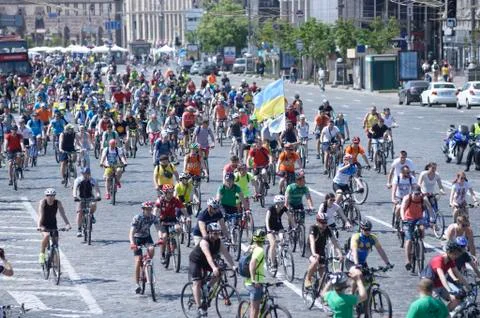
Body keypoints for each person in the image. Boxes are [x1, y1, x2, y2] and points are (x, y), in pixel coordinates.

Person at [189, 223, 235, 318]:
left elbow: (226, 254)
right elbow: (209, 257)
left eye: (218, 233)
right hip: (196, 261)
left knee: (221, 271)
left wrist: (234, 266)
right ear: (209, 233)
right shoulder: (204, 242)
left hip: (206, 262)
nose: (217, 235)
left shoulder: (219, 241)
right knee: (197, 283)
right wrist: (214, 268)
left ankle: (209, 287)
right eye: (214, 233)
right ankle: (200, 307)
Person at [421, 241, 468, 310]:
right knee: (439, 307)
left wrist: (469, 287)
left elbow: (459, 274)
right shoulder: (438, 260)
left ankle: (446, 314)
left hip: (439, 285)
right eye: (455, 254)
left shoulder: (450, 261)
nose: (456, 256)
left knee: (456, 299)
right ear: (449, 252)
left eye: (457, 254)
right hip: (429, 286)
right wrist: (449, 290)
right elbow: (442, 277)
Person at [129, 201, 161, 294]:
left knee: (151, 249)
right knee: (138, 260)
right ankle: (137, 284)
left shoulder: (153, 217)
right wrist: (132, 243)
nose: (149, 211)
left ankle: (147, 264)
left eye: (150, 209)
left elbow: (158, 228)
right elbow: (131, 232)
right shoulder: (137, 218)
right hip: (137, 238)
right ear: (143, 210)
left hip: (147, 237)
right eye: (147, 209)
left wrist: (160, 238)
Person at [304, 212, 343, 288]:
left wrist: (339, 253)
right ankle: (307, 279)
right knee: (315, 261)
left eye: (325, 222)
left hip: (321, 251)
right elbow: (312, 242)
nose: (324, 224)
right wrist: (314, 253)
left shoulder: (327, 229)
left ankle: (321, 292)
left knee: (324, 276)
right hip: (311, 250)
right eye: (322, 222)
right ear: (317, 221)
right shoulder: (313, 228)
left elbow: (334, 242)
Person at [400, 185, 433, 271]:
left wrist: (432, 219)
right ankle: (407, 260)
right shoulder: (407, 198)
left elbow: (430, 208)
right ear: (412, 193)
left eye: (419, 194)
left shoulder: (423, 199)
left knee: (422, 229)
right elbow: (402, 208)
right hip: (408, 219)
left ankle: (420, 245)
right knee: (409, 239)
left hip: (419, 218)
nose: (417, 195)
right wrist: (403, 219)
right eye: (416, 194)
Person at [154, 184, 188, 263]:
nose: (171, 194)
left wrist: (187, 216)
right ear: (165, 193)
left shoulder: (175, 200)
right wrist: (155, 216)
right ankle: (162, 255)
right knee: (165, 236)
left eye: (172, 192)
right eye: (169, 193)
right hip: (163, 220)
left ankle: (174, 239)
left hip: (172, 218)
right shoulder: (160, 200)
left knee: (179, 229)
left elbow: (182, 208)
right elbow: (155, 210)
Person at [37, 188, 72, 264]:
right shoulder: (43, 202)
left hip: (53, 224)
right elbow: (41, 215)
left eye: (53, 196)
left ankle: (55, 264)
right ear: (46, 196)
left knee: (55, 244)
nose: (51, 197)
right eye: (49, 196)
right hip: (43, 224)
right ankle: (42, 255)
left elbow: (63, 214)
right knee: (46, 236)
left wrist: (67, 224)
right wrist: (39, 226)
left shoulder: (58, 203)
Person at [73, 167, 101, 237]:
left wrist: (98, 196)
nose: (85, 175)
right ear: (82, 174)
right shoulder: (78, 180)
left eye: (87, 174)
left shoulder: (93, 180)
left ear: (89, 174)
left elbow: (97, 190)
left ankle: (91, 215)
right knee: (79, 212)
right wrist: (75, 196)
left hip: (90, 197)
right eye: (84, 174)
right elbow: (75, 190)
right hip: (80, 197)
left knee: (94, 204)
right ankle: (79, 229)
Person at [244, 229, 267, 318]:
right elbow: (252, 263)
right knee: (255, 310)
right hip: (254, 283)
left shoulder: (252, 247)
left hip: (250, 281)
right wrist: (254, 279)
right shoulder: (260, 250)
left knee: (257, 306)